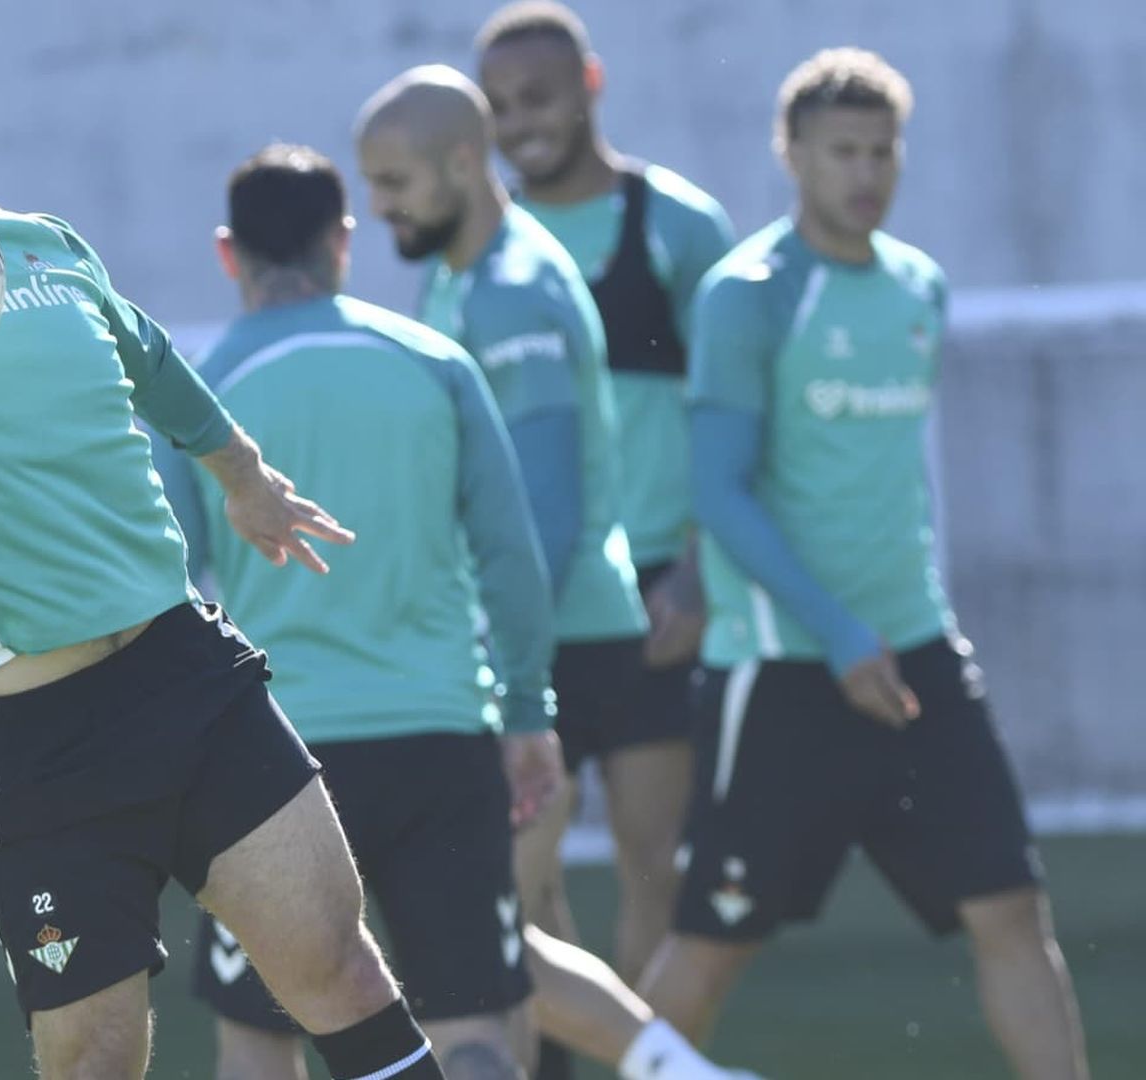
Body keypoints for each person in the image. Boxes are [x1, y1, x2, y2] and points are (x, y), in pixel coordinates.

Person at [0, 4, 446, 1078]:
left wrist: (245, 477)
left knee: (340, 971)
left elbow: (152, 359)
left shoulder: (39, 242)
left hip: (189, 671)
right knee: (93, 1058)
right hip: (34, 733)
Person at [172, 143, 760, 1080]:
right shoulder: (434, 361)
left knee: (262, 1027)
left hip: (275, 758)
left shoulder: (194, 397)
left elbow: (172, 585)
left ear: (226, 252)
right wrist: (527, 714)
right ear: (343, 241)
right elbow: (513, 562)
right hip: (441, 738)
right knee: (475, 1014)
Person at [637, 48, 1089, 1080]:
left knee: (1013, 909)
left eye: (883, 151)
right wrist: (838, 632)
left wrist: (892, 619)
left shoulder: (919, 286)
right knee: (713, 943)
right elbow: (721, 493)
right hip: (789, 669)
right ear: (791, 154)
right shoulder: (746, 296)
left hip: (919, 656)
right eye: (843, 151)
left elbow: (890, 482)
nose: (866, 173)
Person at [356, 64, 649, 1080]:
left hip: (556, 634)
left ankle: (682, 1066)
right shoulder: (463, 275)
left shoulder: (515, 289)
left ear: (464, 161)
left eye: (395, 181)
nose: (379, 205)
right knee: (520, 927)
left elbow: (546, 513)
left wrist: (493, 660)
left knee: (493, 945)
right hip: (547, 633)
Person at [474, 0, 736, 993]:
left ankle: (649, 1060)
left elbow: (738, 412)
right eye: (498, 106)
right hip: (533, 597)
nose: (520, 121)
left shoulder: (677, 223)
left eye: (538, 96)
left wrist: (704, 573)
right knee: (520, 882)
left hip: (657, 599)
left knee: (651, 868)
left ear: (590, 86)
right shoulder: (480, 249)